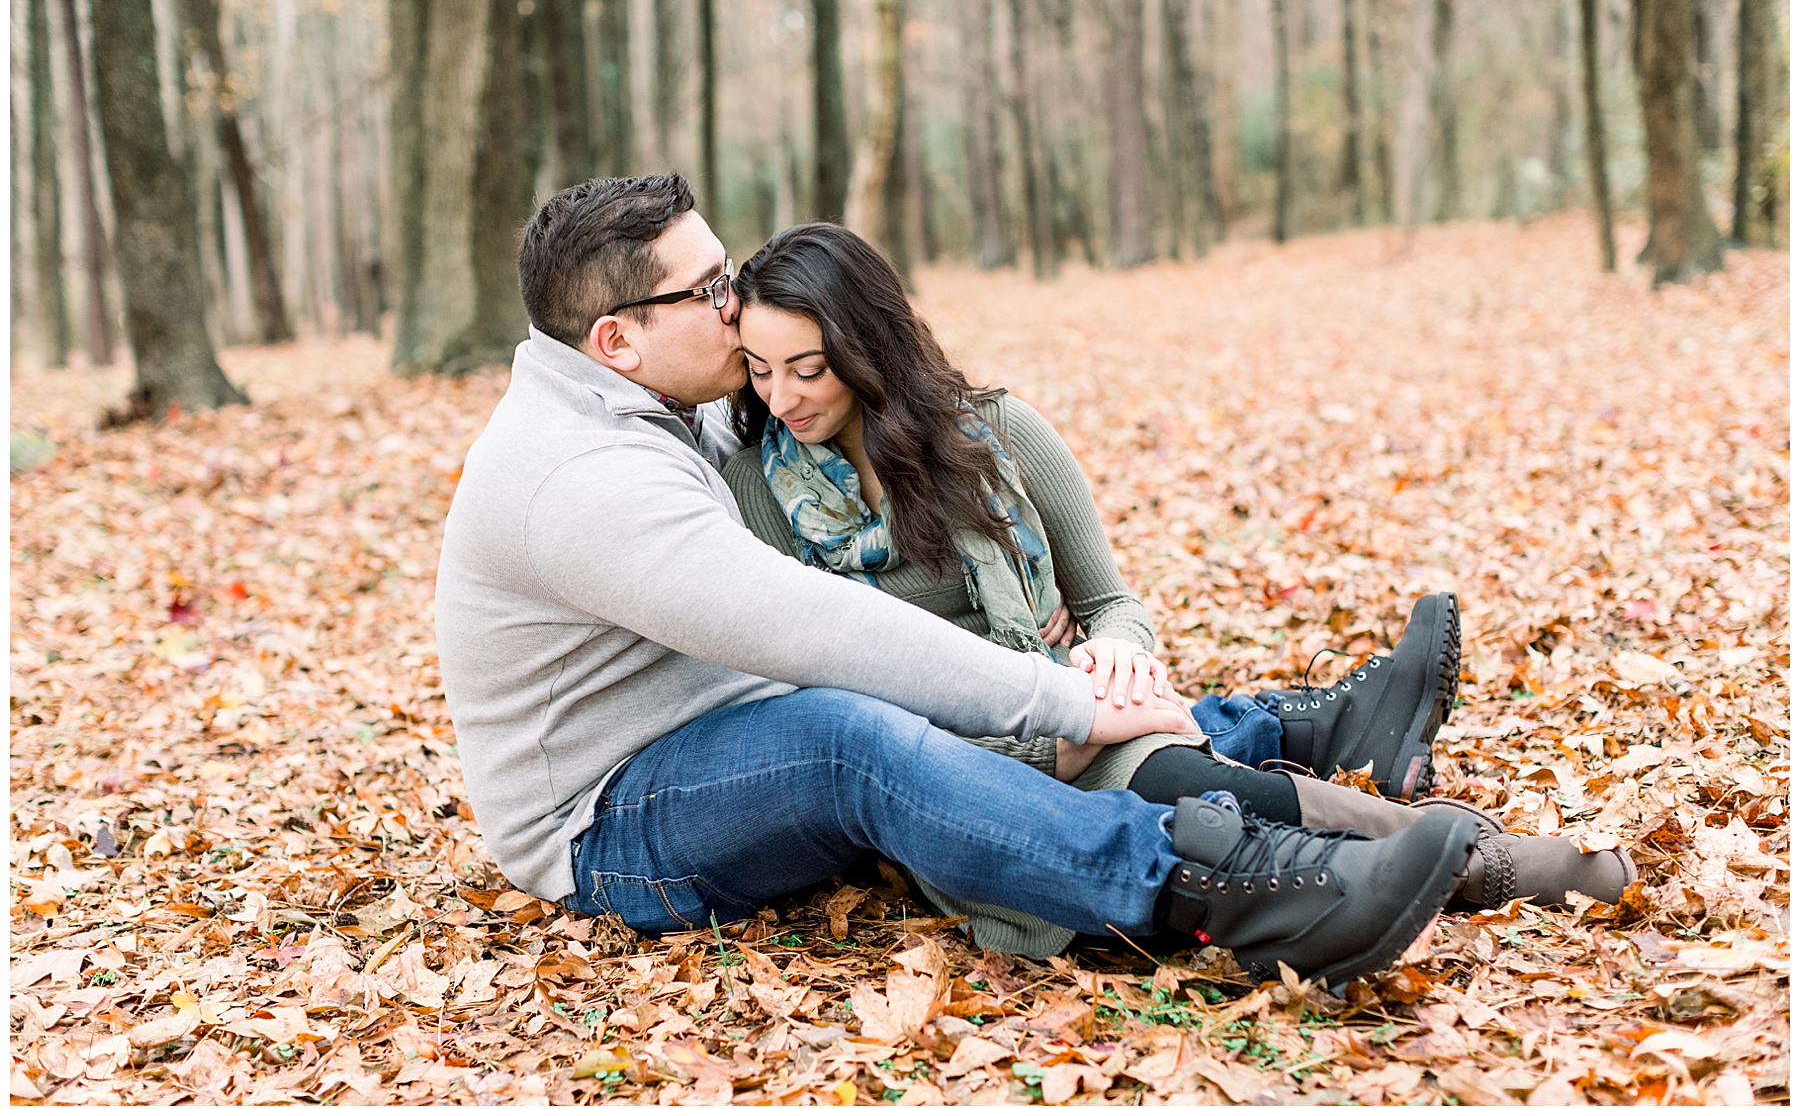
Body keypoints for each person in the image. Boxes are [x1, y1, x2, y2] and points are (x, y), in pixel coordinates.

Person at [435, 174, 1482, 988]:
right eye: (707, 290)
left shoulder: (654, 397)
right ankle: (1224, 888)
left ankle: (1289, 733)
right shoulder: (578, 479)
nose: (735, 299)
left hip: (709, 732)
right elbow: (804, 623)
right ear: (616, 340)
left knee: (904, 719)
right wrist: (1061, 698)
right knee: (847, 738)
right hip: (607, 822)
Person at [719, 222, 1635, 956]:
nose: (786, 396)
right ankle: (1426, 835)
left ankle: (1472, 859)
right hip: (945, 767)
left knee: (1186, 781)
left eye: (809, 366)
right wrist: (1043, 744)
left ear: (870, 345)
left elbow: (1111, 601)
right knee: (1166, 809)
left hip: (1070, 712)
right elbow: (829, 688)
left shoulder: (992, 435)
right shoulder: (762, 492)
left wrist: (1120, 653)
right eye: (761, 371)